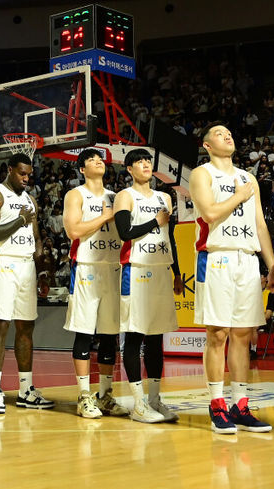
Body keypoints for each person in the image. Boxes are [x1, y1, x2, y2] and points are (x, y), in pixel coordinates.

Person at [190, 124, 274, 434]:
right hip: (217, 257)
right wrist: (240, 195)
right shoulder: (202, 174)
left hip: (247, 259)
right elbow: (210, 213)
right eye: (218, 133)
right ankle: (216, 404)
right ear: (207, 145)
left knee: (244, 334)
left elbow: (260, 225)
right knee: (218, 334)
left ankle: (240, 404)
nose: (227, 135)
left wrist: (270, 265)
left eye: (229, 132)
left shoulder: (249, 177)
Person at [114, 148, 183, 424]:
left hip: (161, 270)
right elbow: (124, 233)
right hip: (136, 270)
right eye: (139, 161)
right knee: (134, 335)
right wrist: (155, 220)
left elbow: (171, 237)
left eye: (147, 161)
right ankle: (138, 404)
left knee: (156, 336)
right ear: (129, 169)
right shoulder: (124, 196)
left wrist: (177, 272)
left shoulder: (165, 196)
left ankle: (154, 399)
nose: (145, 164)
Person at [0, 153, 53, 414]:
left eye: (29, 175)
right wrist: (20, 220)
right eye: (22, 174)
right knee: (1, 325)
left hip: (26, 266)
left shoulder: (31, 200)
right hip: (3, 263)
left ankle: (26, 390)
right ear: (9, 170)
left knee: (26, 326)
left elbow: (36, 238)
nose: (26, 178)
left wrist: (42, 268)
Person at [62, 149, 128, 419]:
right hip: (86, 269)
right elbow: (73, 231)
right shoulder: (76, 195)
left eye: (100, 158)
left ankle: (105, 396)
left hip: (113, 267)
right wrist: (104, 217)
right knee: (84, 333)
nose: (98, 161)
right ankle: (84, 397)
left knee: (110, 335)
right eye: (91, 160)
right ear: (81, 169)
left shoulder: (117, 197)